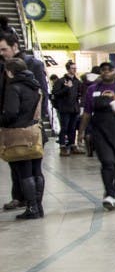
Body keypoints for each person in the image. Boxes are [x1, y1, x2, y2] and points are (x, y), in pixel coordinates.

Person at [78, 62, 115, 211]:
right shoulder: (92, 90)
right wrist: (81, 132)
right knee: (107, 162)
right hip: (100, 130)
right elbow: (87, 113)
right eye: (103, 70)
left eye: (109, 70)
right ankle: (109, 194)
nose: (106, 73)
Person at [0, 30, 48, 211]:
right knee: (24, 167)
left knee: (25, 168)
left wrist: (36, 121)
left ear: (14, 46)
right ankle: (31, 203)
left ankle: (31, 205)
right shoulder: (7, 68)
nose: (1, 53)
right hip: (21, 127)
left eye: (4, 49)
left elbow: (43, 97)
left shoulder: (32, 66)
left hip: (23, 126)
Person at [51, 60, 83, 156]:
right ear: (68, 69)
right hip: (64, 108)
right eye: (73, 68)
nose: (74, 70)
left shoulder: (77, 81)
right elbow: (55, 93)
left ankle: (72, 144)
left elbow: (78, 93)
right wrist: (66, 88)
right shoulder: (61, 81)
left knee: (73, 128)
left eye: (75, 68)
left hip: (74, 108)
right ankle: (62, 146)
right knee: (64, 127)